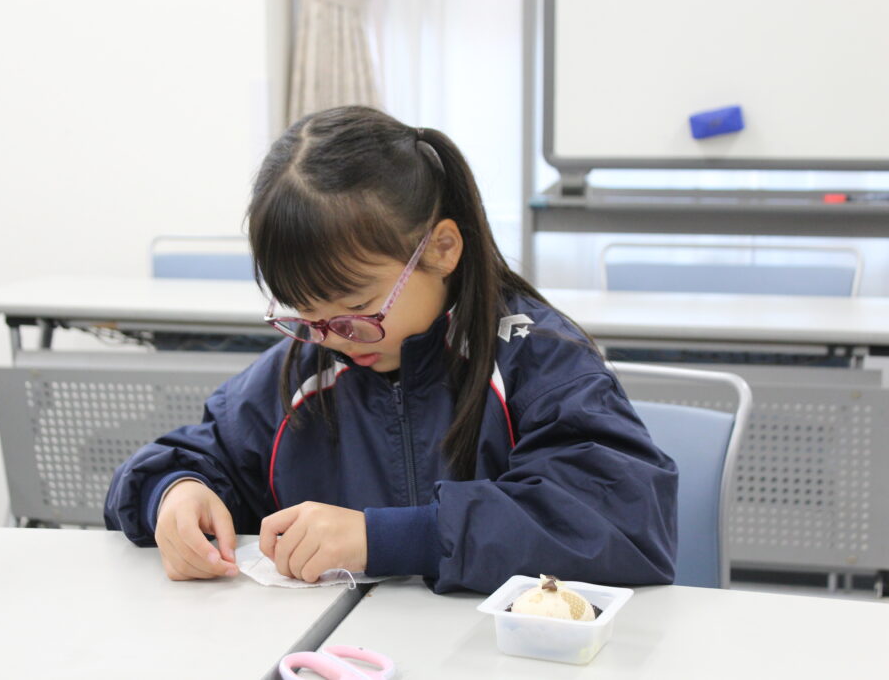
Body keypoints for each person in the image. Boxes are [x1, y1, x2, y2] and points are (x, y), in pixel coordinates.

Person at [104, 106, 677, 594]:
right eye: (305, 315)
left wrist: (385, 539)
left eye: (357, 308)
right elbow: (184, 458)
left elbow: (620, 525)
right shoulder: (308, 368)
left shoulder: (537, 361)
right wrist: (174, 494)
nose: (332, 337)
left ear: (442, 249)